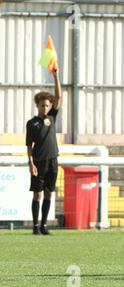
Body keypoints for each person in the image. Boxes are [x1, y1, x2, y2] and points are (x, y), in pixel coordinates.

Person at [26, 68, 61, 235]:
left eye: (47, 105)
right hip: (38, 162)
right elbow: (29, 145)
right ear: (37, 106)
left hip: (53, 160)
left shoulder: (52, 117)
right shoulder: (32, 123)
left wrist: (56, 76)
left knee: (48, 194)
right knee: (37, 195)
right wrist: (30, 163)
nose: (45, 108)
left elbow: (59, 97)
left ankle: (44, 225)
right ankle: (34, 226)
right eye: (42, 105)